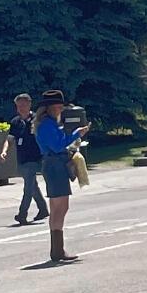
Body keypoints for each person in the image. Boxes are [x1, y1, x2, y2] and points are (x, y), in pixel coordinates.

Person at [35, 90, 88, 266]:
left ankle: (57, 249)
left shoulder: (49, 123)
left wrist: (73, 135)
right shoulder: (47, 125)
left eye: (60, 105)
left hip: (54, 164)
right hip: (54, 165)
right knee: (60, 206)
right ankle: (57, 249)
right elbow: (58, 146)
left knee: (57, 206)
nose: (59, 108)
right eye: (56, 105)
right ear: (48, 107)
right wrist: (76, 135)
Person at [0, 93, 48, 226]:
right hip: (23, 158)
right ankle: (43, 209)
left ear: (29, 104)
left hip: (36, 157)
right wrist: (4, 151)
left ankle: (22, 214)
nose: (21, 108)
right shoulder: (15, 122)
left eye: (24, 105)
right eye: (19, 105)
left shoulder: (37, 119)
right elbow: (9, 139)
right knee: (32, 186)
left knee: (28, 187)